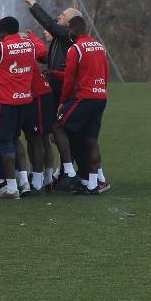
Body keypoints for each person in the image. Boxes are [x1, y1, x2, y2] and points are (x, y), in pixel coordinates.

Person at [20, 0, 80, 182]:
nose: (58, 18)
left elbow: (47, 23)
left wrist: (32, 2)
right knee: (56, 133)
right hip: (55, 90)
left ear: (70, 23)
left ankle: (70, 172)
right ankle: (63, 171)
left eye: (62, 16)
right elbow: (44, 55)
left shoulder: (67, 36)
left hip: (65, 91)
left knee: (60, 131)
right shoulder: (60, 41)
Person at [0, 17, 48, 199]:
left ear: (2, 32)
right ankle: (25, 182)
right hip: (26, 101)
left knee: (5, 142)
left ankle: (11, 187)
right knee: (16, 140)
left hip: (7, 103)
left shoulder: (0, 48)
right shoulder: (28, 45)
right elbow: (42, 50)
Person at [57, 16, 110, 195]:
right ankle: (93, 184)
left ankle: (69, 173)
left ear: (76, 31)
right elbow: (106, 73)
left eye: (69, 30)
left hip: (84, 97)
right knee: (91, 139)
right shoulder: (100, 46)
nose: (68, 34)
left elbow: (69, 79)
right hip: (100, 97)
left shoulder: (76, 49)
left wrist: (63, 102)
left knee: (57, 126)